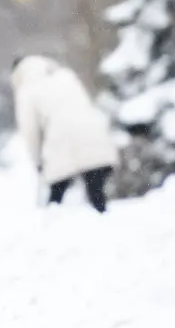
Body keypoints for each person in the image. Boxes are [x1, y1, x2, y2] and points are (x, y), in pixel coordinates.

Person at [9, 55, 117, 212]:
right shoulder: (65, 75)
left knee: (56, 194)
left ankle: (49, 227)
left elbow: (30, 131)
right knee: (96, 193)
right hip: (93, 134)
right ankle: (105, 224)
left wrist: (38, 161)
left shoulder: (26, 90)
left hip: (61, 141)